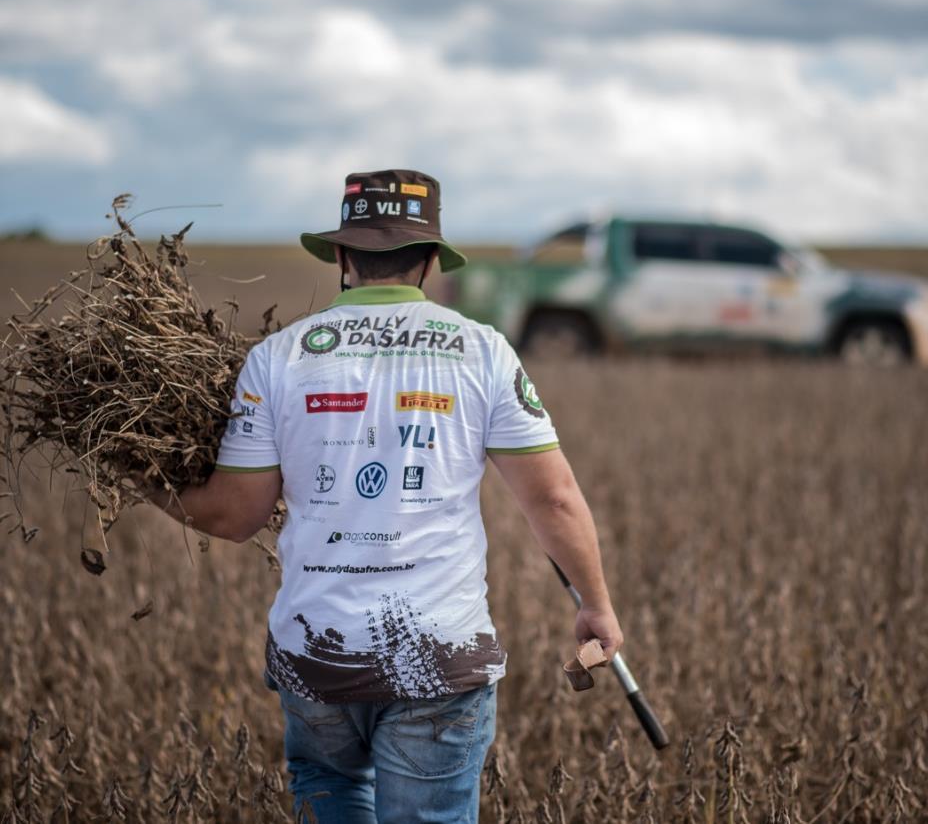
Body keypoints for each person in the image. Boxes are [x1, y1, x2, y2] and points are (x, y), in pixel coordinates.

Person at [151, 169, 623, 823]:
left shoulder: (278, 358)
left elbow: (234, 514)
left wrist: (142, 478)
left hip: (315, 658)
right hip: (439, 658)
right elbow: (554, 499)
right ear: (430, 261)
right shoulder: (481, 351)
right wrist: (594, 604)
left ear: (342, 256)